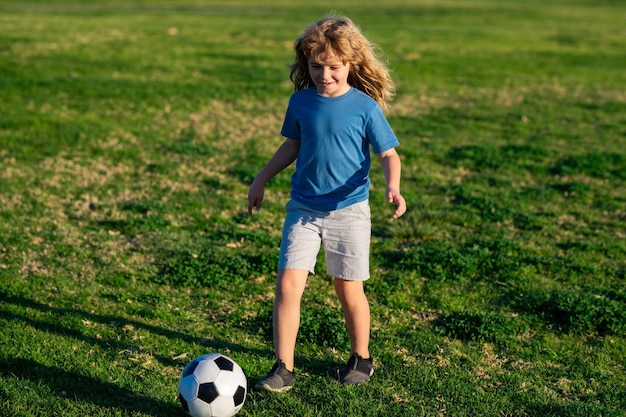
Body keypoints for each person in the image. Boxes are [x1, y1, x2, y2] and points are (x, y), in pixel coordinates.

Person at [247, 15, 406, 392]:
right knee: (287, 286)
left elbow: (388, 154)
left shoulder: (365, 107)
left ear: (351, 64)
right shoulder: (300, 102)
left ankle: (361, 357)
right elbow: (292, 146)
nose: (325, 75)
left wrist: (393, 187)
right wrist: (261, 178)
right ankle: (283, 368)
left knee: (347, 288)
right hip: (303, 209)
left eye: (334, 67)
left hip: (349, 211)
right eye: (316, 66)